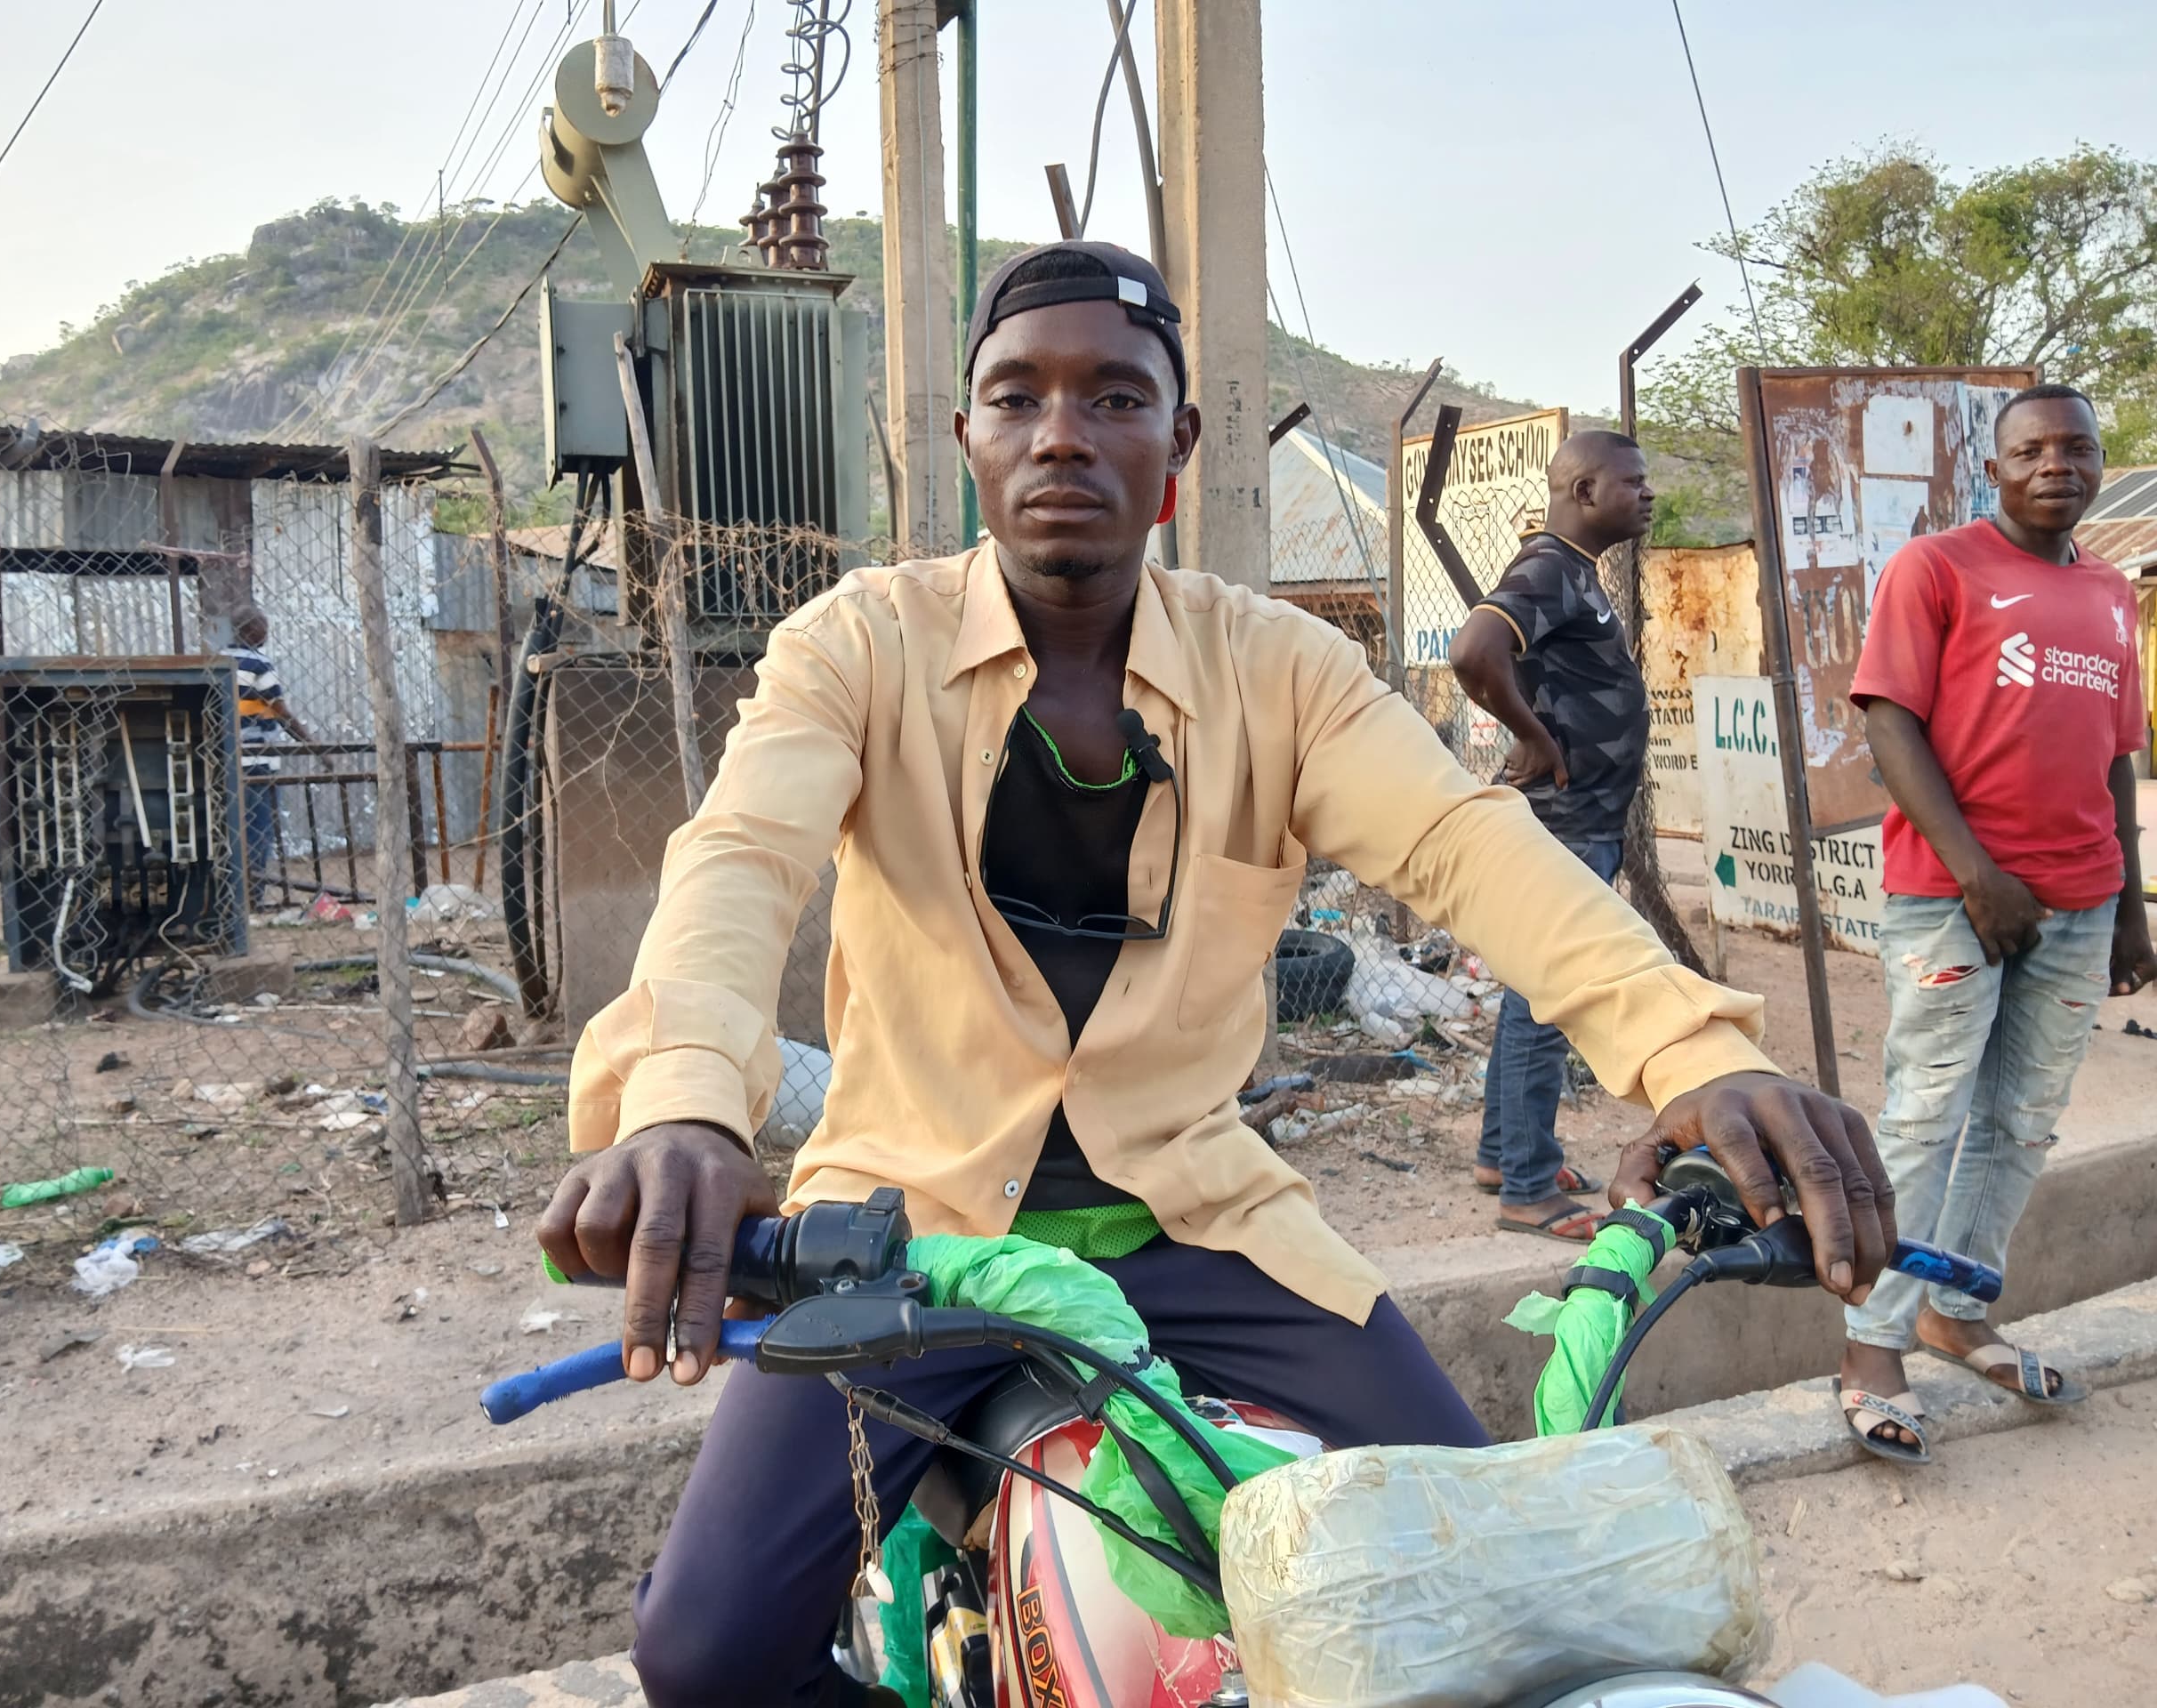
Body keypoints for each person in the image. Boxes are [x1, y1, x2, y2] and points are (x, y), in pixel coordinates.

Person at [541, 241, 1894, 1708]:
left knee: (1484, 1579)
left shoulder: (1284, 670)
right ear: (970, 440)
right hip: (905, 1231)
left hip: (1203, 1224)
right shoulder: (858, 646)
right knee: (704, 1655)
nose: (1065, 430)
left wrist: (1696, 1051)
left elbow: (1463, 843)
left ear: (1178, 447)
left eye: (1116, 397)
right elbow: (738, 863)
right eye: (1021, 396)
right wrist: (681, 1105)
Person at [1835, 383, 2153, 1464]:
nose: (2056, 465)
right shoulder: (1937, 568)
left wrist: (2130, 911)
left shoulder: (2112, 593)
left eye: (2078, 448)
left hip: (2081, 901)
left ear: (2100, 464)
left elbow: (2115, 755)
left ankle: (1957, 1311)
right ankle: (1870, 1347)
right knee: (1926, 1116)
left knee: (2020, 1121)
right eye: (2032, 451)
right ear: (1994, 467)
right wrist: (1978, 874)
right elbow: (1888, 722)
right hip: (1948, 897)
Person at [1447, 434, 1656, 1241]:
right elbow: (1474, 650)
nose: (1646, 496)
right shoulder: (1547, 569)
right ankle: (1529, 1192)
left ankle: (1506, 1154)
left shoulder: (1574, 572)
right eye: (1632, 483)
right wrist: (1531, 736)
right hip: (1568, 827)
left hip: (1583, 825)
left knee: (1529, 994)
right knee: (1549, 1003)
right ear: (1581, 484)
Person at [222, 604, 322, 905]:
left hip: (225, 759)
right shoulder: (258, 664)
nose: (267, 631)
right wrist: (315, 748)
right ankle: (252, 897)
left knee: (229, 829)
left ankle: (230, 895)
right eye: (262, 625)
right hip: (257, 760)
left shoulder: (219, 660)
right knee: (257, 830)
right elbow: (281, 712)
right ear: (251, 630)